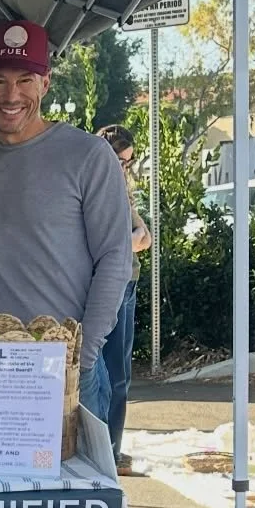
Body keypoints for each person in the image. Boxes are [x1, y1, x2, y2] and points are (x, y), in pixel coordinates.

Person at [0, 22, 132, 421]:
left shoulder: (89, 156)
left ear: (45, 83)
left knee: (79, 484)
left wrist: (81, 357)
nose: (11, 95)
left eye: (25, 80)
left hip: (66, 367)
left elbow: (115, 258)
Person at [96, 124, 151, 471]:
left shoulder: (122, 188)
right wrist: (127, 241)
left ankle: (112, 449)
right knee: (103, 369)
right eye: (118, 160)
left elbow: (143, 235)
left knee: (119, 373)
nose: (123, 168)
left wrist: (129, 240)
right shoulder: (93, 185)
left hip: (127, 280)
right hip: (106, 284)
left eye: (128, 162)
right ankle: (103, 452)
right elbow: (121, 240)